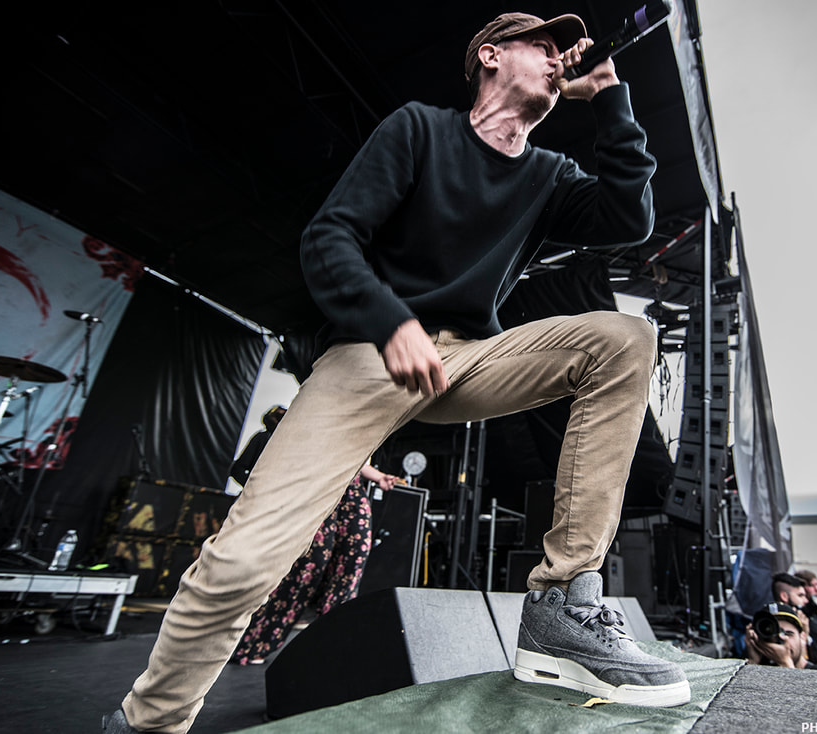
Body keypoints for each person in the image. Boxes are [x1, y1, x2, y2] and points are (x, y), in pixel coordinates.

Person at [104, 10, 686, 732]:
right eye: (542, 44)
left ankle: (563, 600)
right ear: (490, 55)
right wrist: (390, 321)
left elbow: (629, 218)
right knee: (241, 566)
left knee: (624, 338)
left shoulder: (548, 175)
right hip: (368, 353)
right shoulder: (420, 130)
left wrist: (608, 96)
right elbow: (331, 237)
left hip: (466, 358)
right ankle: (149, 722)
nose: (556, 56)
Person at [231, 462, 398, 665]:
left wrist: (378, 476)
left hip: (351, 485)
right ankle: (254, 642)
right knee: (308, 567)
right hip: (320, 480)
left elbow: (359, 458)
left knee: (352, 563)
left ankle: (329, 647)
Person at [745, 602, 817, 670]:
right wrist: (753, 663)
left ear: (802, 637)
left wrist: (785, 662)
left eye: (788, 634)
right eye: (772, 634)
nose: (781, 639)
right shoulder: (756, 670)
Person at [227, 405, 286, 489]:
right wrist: (254, 487)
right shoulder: (263, 438)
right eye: (279, 416)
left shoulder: (291, 443)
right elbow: (237, 470)